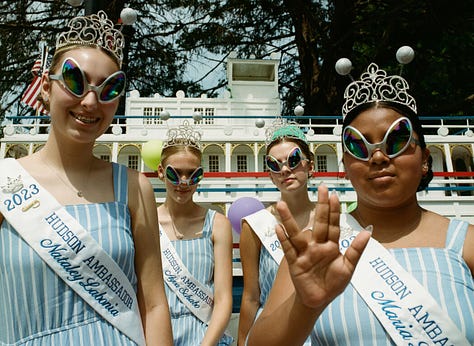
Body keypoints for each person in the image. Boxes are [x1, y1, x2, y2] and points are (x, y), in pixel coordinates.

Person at [247, 61, 474, 345]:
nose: (378, 157)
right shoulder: (313, 249)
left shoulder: (466, 243)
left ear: (425, 159)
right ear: (345, 164)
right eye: (358, 145)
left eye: (397, 140)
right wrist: (305, 306)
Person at [0, 11, 173, 345]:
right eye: (75, 80)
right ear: (46, 89)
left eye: (110, 88)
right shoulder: (5, 183)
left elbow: (154, 305)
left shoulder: (135, 188)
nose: (91, 101)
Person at [157, 121, 234, 345]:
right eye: (175, 173)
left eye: (193, 174)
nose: (184, 182)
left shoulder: (218, 224)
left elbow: (223, 298)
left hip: (206, 336)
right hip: (158, 335)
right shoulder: (145, 223)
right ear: (161, 172)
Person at [238, 122, 314, 346]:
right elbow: (251, 297)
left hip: (322, 334)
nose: (284, 169)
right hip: (271, 336)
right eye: (274, 164)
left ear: (310, 165)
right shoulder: (254, 226)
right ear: (270, 176)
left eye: (293, 160)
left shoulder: (334, 221)